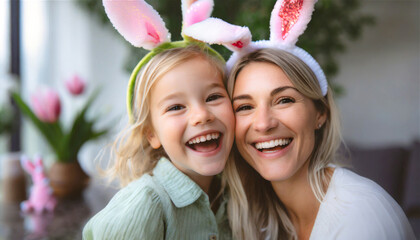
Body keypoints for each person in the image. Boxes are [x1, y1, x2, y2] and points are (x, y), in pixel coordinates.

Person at [83, 0, 238, 239]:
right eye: (176, 107)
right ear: (151, 134)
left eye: (214, 96)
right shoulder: (145, 204)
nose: (201, 115)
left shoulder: (232, 193)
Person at [224, 47, 415, 240]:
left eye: (284, 100)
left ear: (320, 113)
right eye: (245, 107)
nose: (264, 124)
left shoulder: (361, 215)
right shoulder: (253, 219)